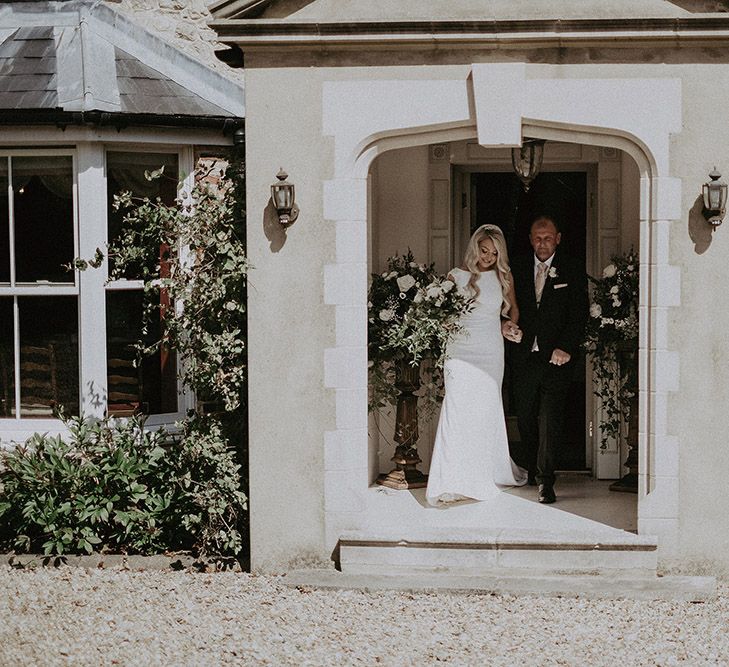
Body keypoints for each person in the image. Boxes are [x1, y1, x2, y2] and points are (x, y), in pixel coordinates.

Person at [426, 224, 527, 506]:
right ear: (474, 248)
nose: (488, 257)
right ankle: (450, 481)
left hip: (489, 349)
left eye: (494, 253)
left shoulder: (503, 277)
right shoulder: (455, 277)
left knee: (483, 411)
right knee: (456, 410)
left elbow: (513, 311)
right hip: (459, 350)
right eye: (484, 251)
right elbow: (441, 313)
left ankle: (481, 474)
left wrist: (510, 326)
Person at [509, 215, 588, 504]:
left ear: (558, 238)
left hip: (557, 360)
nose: (542, 243)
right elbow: (506, 306)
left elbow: (579, 312)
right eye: (537, 238)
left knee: (549, 419)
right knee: (527, 418)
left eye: (548, 237)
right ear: (531, 240)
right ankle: (532, 467)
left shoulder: (572, 267)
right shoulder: (516, 266)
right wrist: (509, 327)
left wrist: (565, 347)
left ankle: (546, 481)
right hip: (524, 357)